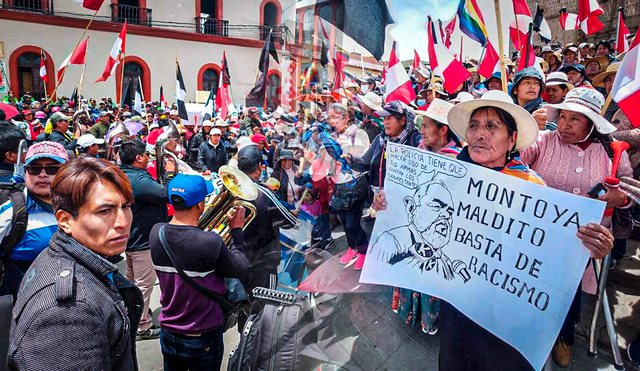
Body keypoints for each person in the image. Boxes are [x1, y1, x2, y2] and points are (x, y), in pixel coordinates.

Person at [372, 90, 615, 370]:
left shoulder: (533, 187)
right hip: (458, 307)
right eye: (473, 126)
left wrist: (591, 244)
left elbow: (554, 252)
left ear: (512, 139)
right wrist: (388, 205)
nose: (480, 134)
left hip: (508, 321)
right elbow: (414, 222)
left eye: (492, 126)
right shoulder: (446, 175)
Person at [519, 87, 632, 367]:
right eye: (564, 116)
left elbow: (630, 188)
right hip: (538, 235)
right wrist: (528, 131)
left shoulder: (610, 151)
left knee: (567, 292)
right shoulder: (544, 140)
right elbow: (517, 159)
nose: (566, 125)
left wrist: (623, 198)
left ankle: (563, 336)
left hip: (583, 242)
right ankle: (526, 330)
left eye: (575, 119)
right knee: (530, 283)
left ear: (591, 124)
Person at [7, 157, 142, 370]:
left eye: (125, 207)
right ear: (65, 220)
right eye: (104, 211)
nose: (122, 222)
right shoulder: (68, 309)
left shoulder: (69, 258)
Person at [149, 174, 249, 371]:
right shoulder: (210, 242)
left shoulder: (156, 233)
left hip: (169, 330)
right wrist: (236, 231)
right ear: (200, 205)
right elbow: (240, 266)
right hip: (203, 334)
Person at [343, 101, 422, 270]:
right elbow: (364, 162)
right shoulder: (380, 140)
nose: (385, 122)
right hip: (378, 201)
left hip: (403, 204)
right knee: (385, 237)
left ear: (402, 120)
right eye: (384, 118)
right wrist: (349, 159)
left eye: (390, 118)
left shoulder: (414, 141)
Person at [119, 140, 175, 340]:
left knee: (133, 282)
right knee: (144, 284)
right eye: (146, 155)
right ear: (138, 158)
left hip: (135, 236)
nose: (149, 158)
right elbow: (165, 194)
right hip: (142, 239)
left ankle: (131, 316)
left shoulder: (126, 173)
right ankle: (142, 325)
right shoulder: (136, 178)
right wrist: (169, 172)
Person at [0, 142, 68, 298]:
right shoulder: (11, 212)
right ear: (25, 172)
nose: (42, 174)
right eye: (34, 169)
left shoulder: (82, 207)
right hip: (24, 313)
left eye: (52, 168)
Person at [236, 145, 292, 329]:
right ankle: (253, 345)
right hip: (263, 261)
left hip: (240, 258)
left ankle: (243, 338)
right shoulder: (264, 194)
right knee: (262, 306)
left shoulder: (233, 189)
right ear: (260, 166)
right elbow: (288, 220)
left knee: (246, 304)